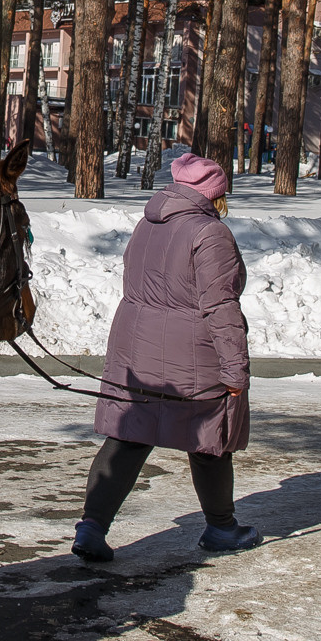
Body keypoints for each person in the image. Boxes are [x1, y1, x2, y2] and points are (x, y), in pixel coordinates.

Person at [72, 152, 258, 561]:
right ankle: (222, 528)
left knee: (128, 436)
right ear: (214, 194)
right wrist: (235, 371)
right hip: (191, 353)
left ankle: (91, 527)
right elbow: (220, 307)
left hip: (136, 347)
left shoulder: (148, 222)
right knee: (210, 440)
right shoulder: (210, 234)